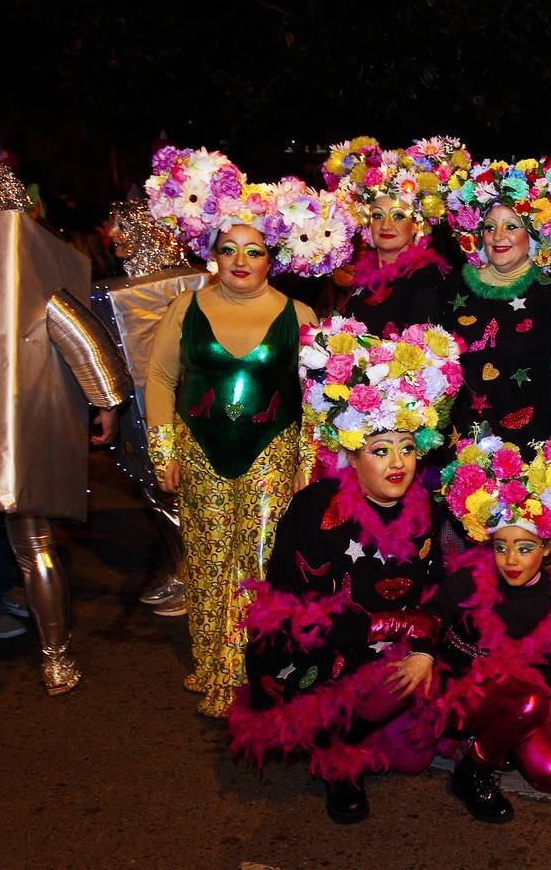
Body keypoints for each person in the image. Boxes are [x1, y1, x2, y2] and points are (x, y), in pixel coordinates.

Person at [144, 147, 355, 716]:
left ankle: (248, 674)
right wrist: (163, 450)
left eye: (254, 251)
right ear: (212, 255)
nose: (241, 260)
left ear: (272, 259)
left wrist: (309, 464)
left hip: (273, 452)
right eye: (229, 249)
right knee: (209, 560)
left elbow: (317, 400)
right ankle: (212, 666)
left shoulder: (302, 316)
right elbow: (161, 378)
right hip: (199, 450)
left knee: (261, 562)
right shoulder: (183, 307)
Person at [228, 317, 463, 824]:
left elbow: (450, 587)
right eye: (380, 451)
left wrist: (422, 648)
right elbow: (295, 611)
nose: (397, 462)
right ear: (352, 456)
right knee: (373, 694)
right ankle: (338, 759)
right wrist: (381, 627)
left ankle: (379, 721)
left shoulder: (430, 507)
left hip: (400, 647)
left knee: (414, 758)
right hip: (326, 650)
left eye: (406, 447)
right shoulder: (316, 509)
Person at [0, 154, 131, 701]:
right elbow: (77, 330)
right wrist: (107, 403)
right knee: (36, 544)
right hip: (22, 420)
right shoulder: (25, 259)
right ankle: (56, 660)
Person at [413, 427, 551, 823]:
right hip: (455, 695)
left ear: (547, 548)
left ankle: (495, 738)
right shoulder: (471, 580)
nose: (511, 560)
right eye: (502, 547)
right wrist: (422, 651)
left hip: (512, 700)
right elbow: (429, 616)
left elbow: (541, 669)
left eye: (525, 549)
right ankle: (473, 771)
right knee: (529, 702)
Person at [96, 197, 206, 617]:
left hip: (174, 405)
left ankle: (192, 577)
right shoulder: (121, 289)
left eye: (122, 225)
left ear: (148, 230)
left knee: (171, 492)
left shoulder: (201, 280)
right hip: (148, 403)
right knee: (162, 492)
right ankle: (190, 572)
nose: (112, 235)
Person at [441, 158, 551, 447]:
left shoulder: (550, 293)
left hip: (532, 444)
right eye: (490, 228)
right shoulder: (456, 285)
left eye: (511, 226)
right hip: (465, 443)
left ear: (532, 235)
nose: (498, 237)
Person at [322, 136, 470, 335]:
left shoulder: (423, 277)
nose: (385, 225)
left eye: (398, 216)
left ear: (416, 225)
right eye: (377, 216)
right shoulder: (364, 273)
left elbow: (421, 352)